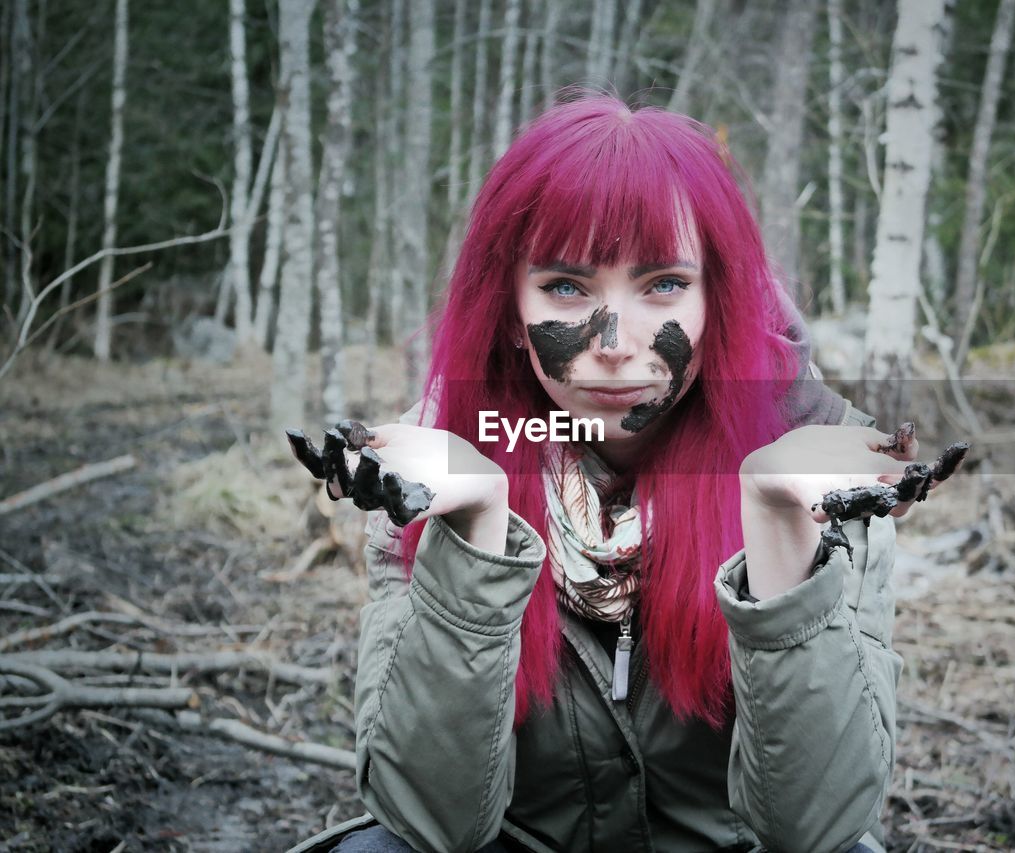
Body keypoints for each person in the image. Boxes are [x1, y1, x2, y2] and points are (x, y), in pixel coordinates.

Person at [289, 91, 933, 853]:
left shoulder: (820, 462)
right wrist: (473, 528)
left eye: (663, 283)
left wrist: (780, 525)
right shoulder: (430, 466)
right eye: (566, 287)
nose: (616, 341)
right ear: (509, 310)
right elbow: (429, 820)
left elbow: (820, 826)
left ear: (715, 299)